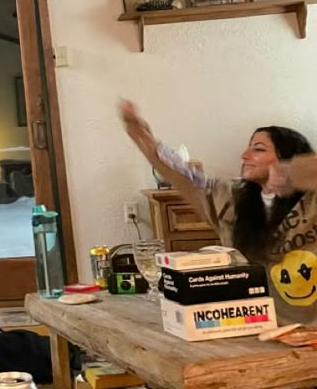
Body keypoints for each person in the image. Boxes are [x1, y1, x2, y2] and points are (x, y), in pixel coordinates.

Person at [120, 100, 317, 324]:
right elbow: (181, 174)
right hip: (254, 326)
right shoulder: (230, 197)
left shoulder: (312, 200)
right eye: (248, 146)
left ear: (287, 156)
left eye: (258, 149)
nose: (244, 155)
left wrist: (291, 173)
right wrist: (142, 137)